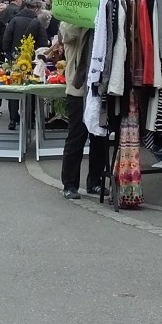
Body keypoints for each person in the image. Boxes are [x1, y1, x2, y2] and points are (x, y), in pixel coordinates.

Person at [59, 21, 109, 199]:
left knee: (99, 137)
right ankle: (70, 184)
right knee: (76, 136)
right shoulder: (71, 20)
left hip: (98, 88)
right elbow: (67, 35)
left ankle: (95, 181)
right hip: (78, 89)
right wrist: (83, 18)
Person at [2, 0, 49, 131]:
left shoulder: (14, 20)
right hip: (32, 60)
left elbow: (6, 39)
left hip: (15, 58)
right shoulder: (37, 22)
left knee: (14, 87)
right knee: (31, 88)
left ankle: (13, 118)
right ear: (35, 8)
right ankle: (31, 118)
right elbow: (43, 42)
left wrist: (8, 53)